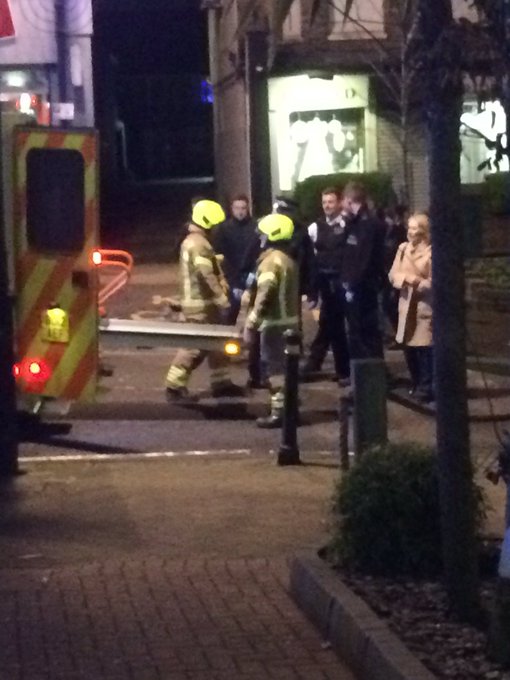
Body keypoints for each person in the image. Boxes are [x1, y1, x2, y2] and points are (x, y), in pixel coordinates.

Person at [165, 199, 244, 401]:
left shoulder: (194, 242)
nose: (217, 228)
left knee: (217, 344)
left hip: (203, 305)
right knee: (194, 348)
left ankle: (221, 383)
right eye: (215, 224)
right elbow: (205, 274)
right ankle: (174, 387)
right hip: (201, 306)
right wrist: (222, 299)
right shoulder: (199, 244)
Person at [243, 213, 300, 428]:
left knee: (275, 371)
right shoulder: (287, 260)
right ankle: (288, 409)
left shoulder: (270, 263)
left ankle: (280, 413)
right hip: (290, 324)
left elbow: (265, 295)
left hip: (275, 326)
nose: (260, 239)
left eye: (263, 235)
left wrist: (251, 324)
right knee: (286, 370)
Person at [301, 187, 350, 384]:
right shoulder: (314, 228)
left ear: (338, 203)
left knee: (335, 325)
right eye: (324, 202)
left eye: (331, 202)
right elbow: (310, 258)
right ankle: (340, 368)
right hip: (324, 283)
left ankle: (324, 364)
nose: (327, 206)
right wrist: (312, 291)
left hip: (342, 283)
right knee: (331, 324)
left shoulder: (347, 225)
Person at [388, 212, 433, 402]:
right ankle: (416, 382)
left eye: (415, 228)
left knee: (423, 347)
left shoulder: (432, 252)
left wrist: (416, 282)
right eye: (409, 227)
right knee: (409, 347)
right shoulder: (403, 249)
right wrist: (409, 279)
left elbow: (431, 282)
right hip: (405, 305)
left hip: (424, 306)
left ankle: (426, 386)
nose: (411, 232)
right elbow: (393, 274)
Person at [340, 182, 385, 360]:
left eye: (344, 201)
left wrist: (351, 285)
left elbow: (363, 260)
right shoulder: (357, 223)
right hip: (357, 287)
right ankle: (361, 376)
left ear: (350, 200)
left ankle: (370, 377)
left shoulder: (368, 225)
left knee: (365, 333)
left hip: (363, 289)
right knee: (357, 333)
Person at [380, 205, 409, 345]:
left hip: (398, 274)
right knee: (389, 305)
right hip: (391, 273)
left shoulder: (399, 232)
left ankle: (402, 335)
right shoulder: (392, 231)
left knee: (392, 305)